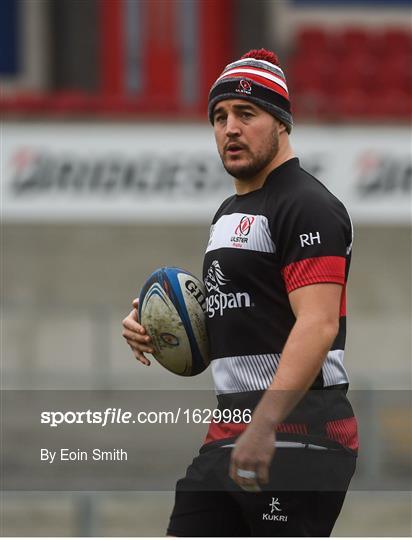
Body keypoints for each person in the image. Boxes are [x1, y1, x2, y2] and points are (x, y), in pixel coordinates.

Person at [122, 49, 358, 537]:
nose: (229, 127)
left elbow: (318, 323)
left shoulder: (308, 205)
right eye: (219, 116)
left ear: (281, 122)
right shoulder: (226, 213)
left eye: (246, 114)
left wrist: (264, 426)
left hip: (298, 440)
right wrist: (159, 326)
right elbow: (234, 321)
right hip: (229, 436)